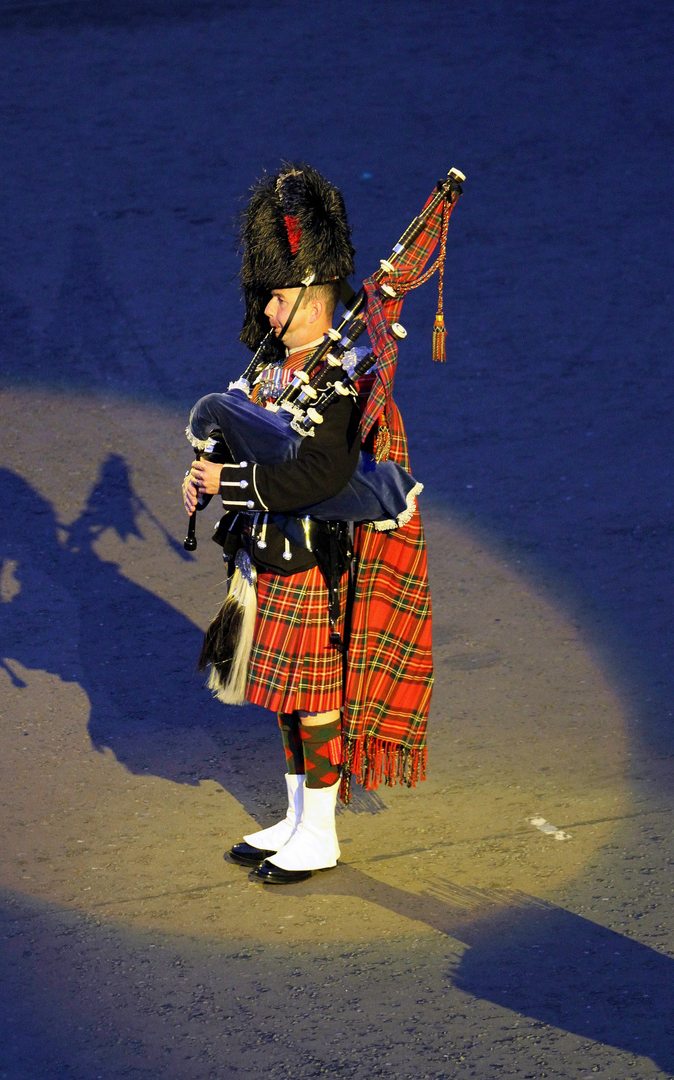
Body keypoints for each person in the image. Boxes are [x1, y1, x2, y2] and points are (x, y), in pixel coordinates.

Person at [183, 163, 434, 885]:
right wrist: (206, 464)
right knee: (284, 695)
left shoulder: (342, 376)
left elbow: (317, 477)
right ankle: (295, 817)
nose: (264, 309)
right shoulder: (279, 362)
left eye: (279, 296)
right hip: (264, 554)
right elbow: (245, 434)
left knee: (312, 697)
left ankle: (320, 832)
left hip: (306, 559)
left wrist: (227, 481)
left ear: (314, 298)